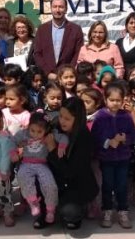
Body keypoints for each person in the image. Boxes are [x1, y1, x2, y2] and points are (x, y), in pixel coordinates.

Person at [47, 96, 99, 230]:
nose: (62, 121)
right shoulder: (55, 126)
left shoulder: (83, 138)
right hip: (58, 180)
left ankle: (83, 206)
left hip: (78, 183)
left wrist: (53, 149)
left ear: (77, 119)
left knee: (69, 212)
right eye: (61, 116)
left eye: (67, 118)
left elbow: (70, 171)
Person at [92, 82, 135, 229]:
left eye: (118, 100)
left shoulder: (126, 116)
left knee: (122, 185)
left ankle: (123, 211)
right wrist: (108, 142)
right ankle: (107, 211)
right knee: (107, 185)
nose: (115, 103)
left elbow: (133, 135)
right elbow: (95, 136)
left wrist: (125, 139)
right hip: (107, 159)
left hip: (123, 158)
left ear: (123, 100)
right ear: (105, 100)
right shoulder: (100, 116)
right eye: (112, 100)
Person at [13, 112, 63, 226]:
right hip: (26, 163)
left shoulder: (49, 136)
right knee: (22, 177)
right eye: (32, 130)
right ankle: (33, 202)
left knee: (50, 184)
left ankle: (50, 210)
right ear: (28, 127)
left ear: (46, 130)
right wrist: (13, 152)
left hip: (42, 165)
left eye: (39, 131)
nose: (35, 134)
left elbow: (62, 137)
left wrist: (62, 144)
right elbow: (11, 140)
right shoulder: (24, 134)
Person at [33, 0, 85, 80]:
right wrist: (48, 73)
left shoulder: (76, 29)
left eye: (61, 7)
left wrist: (67, 73)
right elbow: (37, 54)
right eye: (55, 7)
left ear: (66, 9)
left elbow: (78, 54)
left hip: (67, 78)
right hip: (47, 78)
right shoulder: (42, 29)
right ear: (51, 8)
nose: (57, 10)